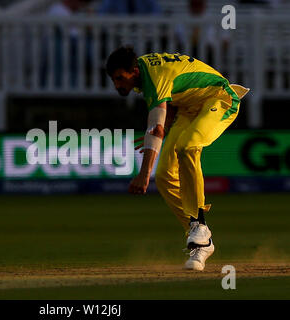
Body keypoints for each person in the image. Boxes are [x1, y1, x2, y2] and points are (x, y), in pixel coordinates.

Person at [105, 47, 249, 270]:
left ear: (133, 71)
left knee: (188, 147)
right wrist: (157, 135)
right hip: (188, 109)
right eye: (114, 80)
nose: (117, 85)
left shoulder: (153, 75)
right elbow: (168, 107)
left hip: (218, 99)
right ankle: (202, 241)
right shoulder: (143, 72)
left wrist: (143, 176)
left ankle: (198, 223)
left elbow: (155, 127)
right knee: (163, 177)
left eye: (119, 79)